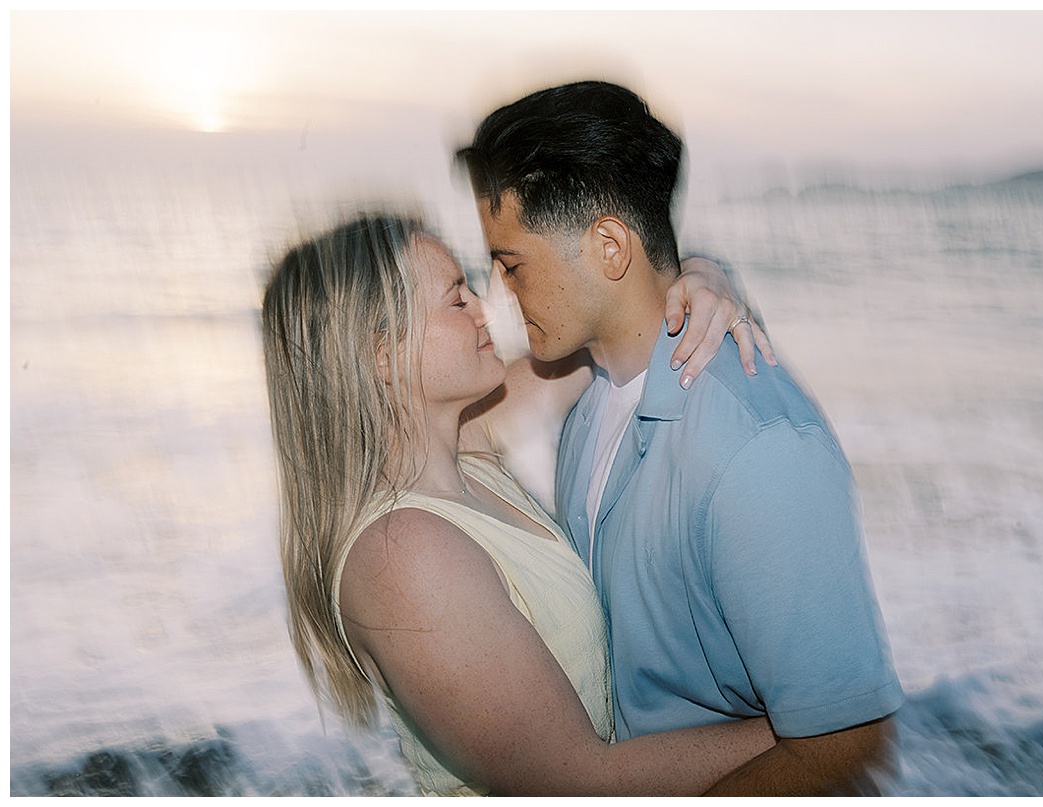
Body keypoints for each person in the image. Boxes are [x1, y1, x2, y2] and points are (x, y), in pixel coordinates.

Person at [458, 80, 905, 795]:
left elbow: (847, 743)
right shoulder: (585, 388)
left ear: (609, 247)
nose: (500, 291)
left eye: (511, 264)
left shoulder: (756, 449)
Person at [260, 213, 779, 795]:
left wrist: (705, 277)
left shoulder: (466, 444)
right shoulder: (401, 556)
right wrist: (811, 729)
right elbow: (575, 783)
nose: (485, 307)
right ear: (382, 357)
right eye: (456, 300)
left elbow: (619, 316)